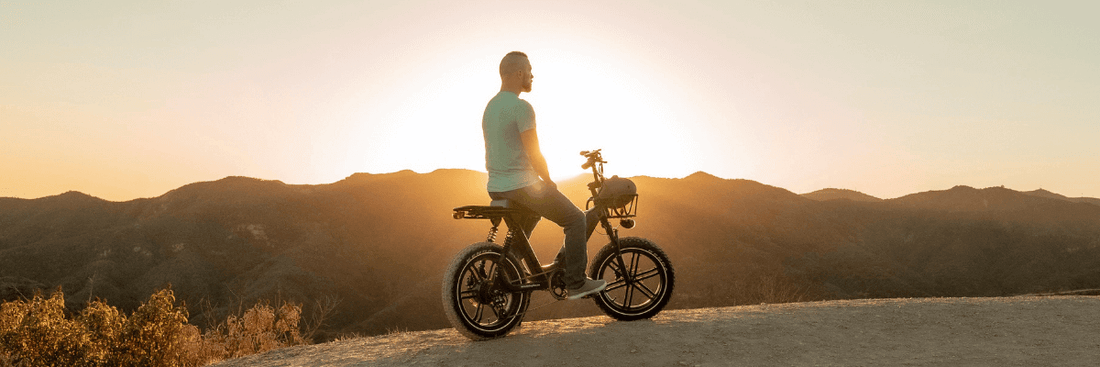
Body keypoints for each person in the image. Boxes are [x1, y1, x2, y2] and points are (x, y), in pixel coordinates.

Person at [482, 51, 606, 300]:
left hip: (496, 186)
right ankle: (576, 282)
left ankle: (511, 274)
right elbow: (534, 152)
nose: (532, 75)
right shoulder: (521, 107)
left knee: (527, 224)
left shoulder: (491, 107)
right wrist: (548, 181)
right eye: (529, 70)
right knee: (575, 220)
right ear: (519, 73)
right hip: (522, 185)